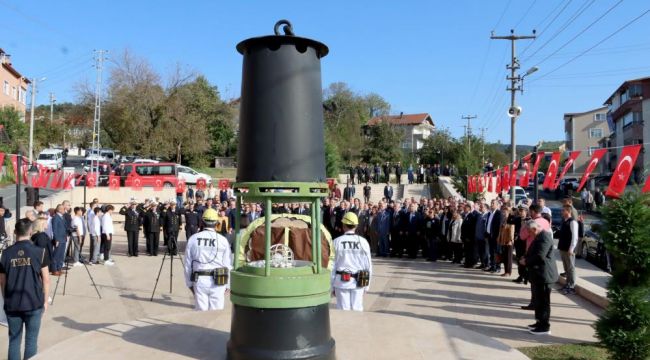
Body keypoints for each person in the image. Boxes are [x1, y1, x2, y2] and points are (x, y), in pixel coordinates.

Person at [0, 218, 50, 360]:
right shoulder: (39, 252)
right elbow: (46, 279)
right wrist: (45, 301)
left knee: (14, 341)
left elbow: (2, 281)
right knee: (31, 341)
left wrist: (6, 298)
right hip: (33, 302)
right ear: (30, 231)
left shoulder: (6, 253)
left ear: (15, 232)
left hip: (12, 303)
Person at [183, 208, 232, 311]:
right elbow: (228, 264)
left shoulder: (193, 239)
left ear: (202, 222)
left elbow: (188, 264)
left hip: (200, 280)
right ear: (217, 223)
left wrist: (189, 284)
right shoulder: (223, 240)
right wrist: (228, 284)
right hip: (219, 280)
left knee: (201, 313)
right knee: (216, 314)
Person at [521, 220, 558, 335]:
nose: (529, 234)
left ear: (534, 229)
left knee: (544, 301)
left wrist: (526, 261)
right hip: (538, 275)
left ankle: (544, 326)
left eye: (529, 232)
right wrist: (525, 257)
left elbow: (540, 255)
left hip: (544, 275)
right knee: (538, 300)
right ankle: (539, 321)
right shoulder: (538, 236)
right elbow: (532, 251)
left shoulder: (545, 237)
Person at [331, 212, 372, 311]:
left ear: (343, 225)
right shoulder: (363, 242)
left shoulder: (336, 242)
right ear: (356, 226)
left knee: (342, 310)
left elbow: (332, 265)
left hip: (341, 282)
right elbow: (368, 266)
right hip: (359, 282)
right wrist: (367, 286)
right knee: (357, 310)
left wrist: (331, 286)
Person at [558, 205, 579, 295]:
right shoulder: (564, 221)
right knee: (566, 268)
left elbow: (575, 237)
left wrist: (571, 248)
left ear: (568, 211)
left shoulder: (573, 222)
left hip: (569, 249)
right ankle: (567, 284)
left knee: (571, 268)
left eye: (563, 210)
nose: (562, 212)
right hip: (563, 248)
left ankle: (572, 286)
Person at [497, 206, 515, 277]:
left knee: (508, 257)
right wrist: (499, 238)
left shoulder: (511, 219)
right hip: (503, 240)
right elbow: (501, 230)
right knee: (504, 256)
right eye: (503, 211)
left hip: (508, 240)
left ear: (509, 212)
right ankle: (505, 271)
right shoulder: (504, 219)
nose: (503, 213)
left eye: (505, 211)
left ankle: (508, 272)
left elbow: (512, 230)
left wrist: (511, 240)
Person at [50, 205, 67, 276]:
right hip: (58, 239)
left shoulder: (62, 217)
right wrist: (56, 239)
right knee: (56, 255)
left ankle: (59, 268)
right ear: (59, 210)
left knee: (61, 255)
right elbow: (55, 230)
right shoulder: (55, 217)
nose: (65, 210)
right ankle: (54, 269)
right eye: (63, 209)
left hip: (63, 239)